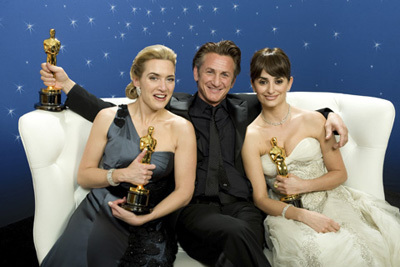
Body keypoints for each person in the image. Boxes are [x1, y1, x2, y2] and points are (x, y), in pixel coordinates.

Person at [40, 40, 348, 266]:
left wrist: (329, 113)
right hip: (195, 209)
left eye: (225, 75)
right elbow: (114, 113)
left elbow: (284, 107)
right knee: (236, 235)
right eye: (210, 72)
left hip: (244, 206)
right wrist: (66, 84)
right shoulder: (171, 106)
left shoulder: (248, 106)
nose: (217, 81)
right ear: (196, 73)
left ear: (234, 79)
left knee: (239, 237)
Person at [40, 45, 197, 267]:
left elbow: (184, 191)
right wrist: (123, 174)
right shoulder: (107, 117)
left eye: (169, 79)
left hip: (150, 219)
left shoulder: (182, 128)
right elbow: (84, 176)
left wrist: (146, 217)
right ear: (136, 79)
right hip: (100, 210)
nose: (163, 87)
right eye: (154, 78)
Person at [242, 47, 400, 266]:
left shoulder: (315, 120)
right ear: (252, 84)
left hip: (330, 200)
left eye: (278, 81)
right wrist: (302, 215)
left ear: (289, 83)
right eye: (262, 81)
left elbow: (340, 174)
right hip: (287, 214)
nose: (271, 89)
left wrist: (302, 185)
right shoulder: (250, 136)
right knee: (316, 255)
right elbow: (260, 198)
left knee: (354, 250)